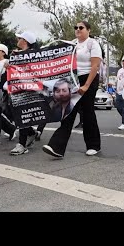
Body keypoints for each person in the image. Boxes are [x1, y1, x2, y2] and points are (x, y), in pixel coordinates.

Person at [42, 21, 102, 158]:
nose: (78, 29)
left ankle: (94, 145)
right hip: (73, 80)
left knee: (87, 112)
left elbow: (95, 66)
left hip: (89, 79)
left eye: (81, 27)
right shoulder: (72, 44)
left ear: (88, 30)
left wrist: (86, 86)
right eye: (76, 28)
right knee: (68, 112)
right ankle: (56, 147)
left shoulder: (92, 43)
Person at [8, 31, 40, 155]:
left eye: (19, 38)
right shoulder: (18, 54)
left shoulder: (33, 55)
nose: (17, 40)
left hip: (28, 90)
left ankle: (21, 144)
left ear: (25, 41)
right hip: (18, 89)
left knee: (23, 115)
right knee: (21, 115)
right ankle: (31, 133)